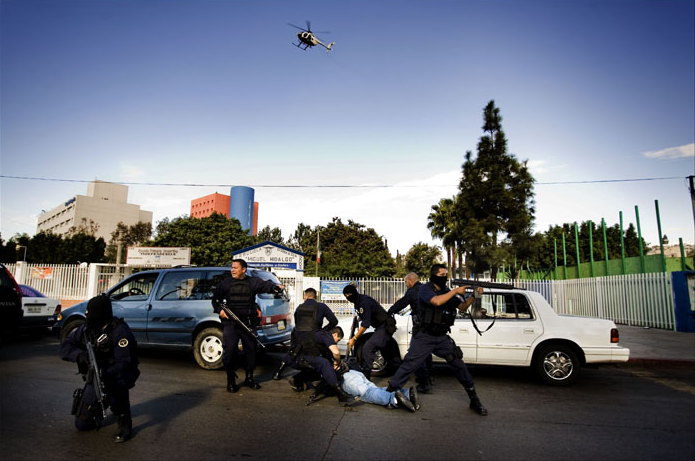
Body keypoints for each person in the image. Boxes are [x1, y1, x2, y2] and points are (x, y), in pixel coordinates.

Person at [386, 264, 488, 416]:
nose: (445, 277)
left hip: (441, 337)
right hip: (424, 337)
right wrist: (455, 291)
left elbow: (462, 306)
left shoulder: (447, 291)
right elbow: (436, 302)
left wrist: (474, 295)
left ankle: (474, 399)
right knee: (409, 364)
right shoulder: (424, 290)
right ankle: (388, 394)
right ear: (434, 276)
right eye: (442, 275)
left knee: (458, 364)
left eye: (446, 274)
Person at [60, 294, 140, 442]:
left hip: (117, 376)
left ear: (100, 314)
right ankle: (98, 408)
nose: (88, 316)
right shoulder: (87, 328)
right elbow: (66, 346)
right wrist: (79, 356)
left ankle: (124, 419)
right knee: (82, 425)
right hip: (96, 377)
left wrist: (106, 372)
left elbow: (124, 363)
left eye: (91, 313)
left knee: (118, 389)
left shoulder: (120, 331)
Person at [212, 258, 284, 392]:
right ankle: (231, 379)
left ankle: (249, 378)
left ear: (244, 269)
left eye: (235, 268)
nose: (232, 270)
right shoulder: (225, 283)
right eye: (232, 267)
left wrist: (275, 287)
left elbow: (265, 285)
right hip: (231, 324)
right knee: (230, 351)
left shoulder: (252, 282)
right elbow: (215, 300)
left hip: (248, 323)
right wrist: (220, 310)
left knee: (251, 352)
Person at [273, 287, 337, 380]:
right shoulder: (322, 306)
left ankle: (278, 372)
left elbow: (297, 322)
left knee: (293, 352)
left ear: (305, 296)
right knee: (317, 356)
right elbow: (334, 321)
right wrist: (323, 330)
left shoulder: (299, 307)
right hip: (314, 336)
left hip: (298, 336)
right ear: (315, 296)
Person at [387, 272, 433, 393]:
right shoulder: (426, 289)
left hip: (420, 327)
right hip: (430, 327)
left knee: (415, 354)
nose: (405, 284)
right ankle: (429, 378)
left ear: (410, 281)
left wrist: (390, 311)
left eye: (405, 282)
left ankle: (425, 383)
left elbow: (402, 303)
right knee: (427, 354)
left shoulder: (412, 291)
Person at [286, 326, 356, 404]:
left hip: (296, 358)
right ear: (335, 334)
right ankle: (341, 394)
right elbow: (336, 352)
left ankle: (297, 379)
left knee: (325, 368)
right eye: (338, 340)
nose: (337, 343)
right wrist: (337, 362)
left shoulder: (322, 337)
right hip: (295, 359)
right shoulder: (325, 335)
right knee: (323, 363)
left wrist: (337, 363)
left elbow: (329, 356)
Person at [343, 284, 397, 380]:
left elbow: (365, 325)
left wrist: (354, 339)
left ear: (354, 292)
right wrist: (359, 319)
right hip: (381, 327)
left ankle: (366, 376)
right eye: (345, 295)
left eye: (349, 294)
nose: (347, 297)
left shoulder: (364, 302)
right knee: (388, 352)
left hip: (385, 327)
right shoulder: (358, 301)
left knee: (368, 348)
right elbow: (366, 314)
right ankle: (398, 370)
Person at [338, 361, 421, 412]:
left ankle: (394, 399)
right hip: (353, 371)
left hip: (345, 377)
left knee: (367, 393)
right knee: (374, 389)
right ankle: (406, 393)